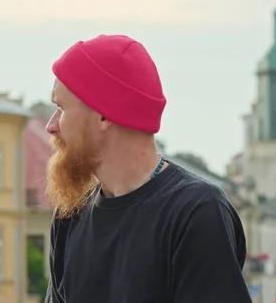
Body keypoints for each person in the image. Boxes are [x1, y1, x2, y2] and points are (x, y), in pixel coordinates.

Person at [43, 34, 252, 303]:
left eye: (61, 107)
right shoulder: (70, 215)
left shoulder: (196, 211)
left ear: (104, 114)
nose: (51, 125)